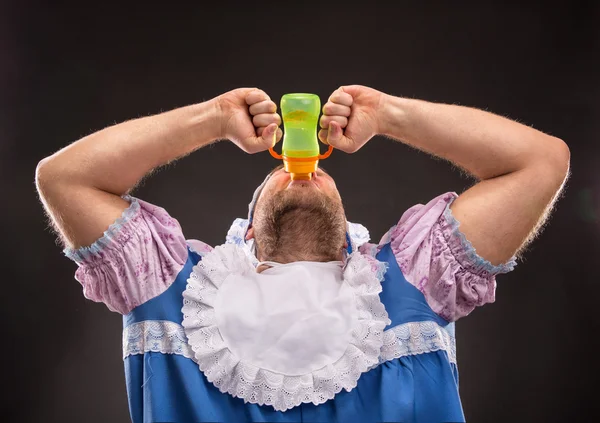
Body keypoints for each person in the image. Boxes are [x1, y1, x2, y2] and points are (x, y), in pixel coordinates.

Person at [35, 85, 570, 423]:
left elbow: (541, 161)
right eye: (277, 176)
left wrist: (389, 115)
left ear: (351, 242)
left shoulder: (409, 281)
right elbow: (65, 178)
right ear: (243, 239)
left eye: (322, 172)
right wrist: (214, 118)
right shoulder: (174, 291)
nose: (302, 169)